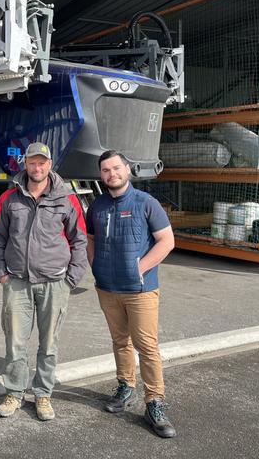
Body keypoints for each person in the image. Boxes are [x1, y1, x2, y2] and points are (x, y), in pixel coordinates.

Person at [0, 142, 88, 421]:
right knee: (15, 342)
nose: (37, 167)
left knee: (49, 344)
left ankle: (43, 394)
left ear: (50, 164)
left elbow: (79, 239)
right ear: (25, 164)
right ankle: (14, 392)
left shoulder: (66, 199)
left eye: (42, 162)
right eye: (32, 162)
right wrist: (2, 273)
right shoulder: (9, 199)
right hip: (17, 281)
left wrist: (72, 278)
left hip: (55, 283)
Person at [86, 150, 176, 438]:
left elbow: (166, 241)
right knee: (120, 341)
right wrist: (95, 265)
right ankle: (125, 387)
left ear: (127, 169)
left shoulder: (145, 203)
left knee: (147, 347)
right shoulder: (97, 206)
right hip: (107, 288)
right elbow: (89, 239)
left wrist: (141, 268)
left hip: (140, 291)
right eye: (105, 170)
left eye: (116, 168)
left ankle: (155, 403)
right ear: (101, 175)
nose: (111, 174)